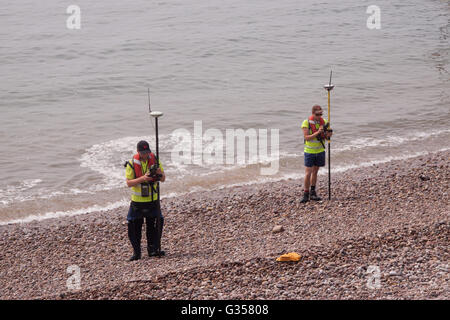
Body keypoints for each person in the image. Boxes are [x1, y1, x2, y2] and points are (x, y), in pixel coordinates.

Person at [125, 140, 166, 261]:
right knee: (134, 226)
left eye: (147, 152)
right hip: (137, 202)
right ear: (138, 152)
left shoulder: (155, 160)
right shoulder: (131, 163)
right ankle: (136, 252)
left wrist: (159, 173)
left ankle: (153, 249)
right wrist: (143, 178)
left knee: (154, 225)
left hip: (153, 199)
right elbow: (128, 183)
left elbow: (163, 179)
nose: (145, 155)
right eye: (142, 153)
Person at [300, 105, 333, 203]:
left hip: (320, 151)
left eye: (321, 114)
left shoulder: (324, 122)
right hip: (309, 151)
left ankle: (313, 192)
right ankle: (306, 194)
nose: (319, 116)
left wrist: (329, 135)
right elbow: (306, 137)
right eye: (317, 114)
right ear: (313, 113)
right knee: (308, 173)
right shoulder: (306, 123)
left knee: (315, 172)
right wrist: (318, 132)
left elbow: (327, 137)